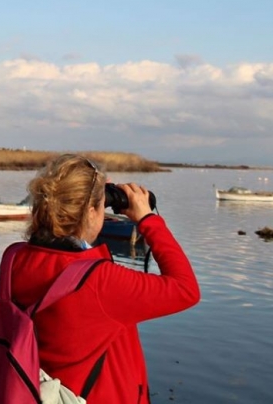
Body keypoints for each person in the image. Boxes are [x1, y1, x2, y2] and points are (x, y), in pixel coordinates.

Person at [11, 154, 200, 404]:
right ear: (90, 211)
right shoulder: (101, 281)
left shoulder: (16, 259)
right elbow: (186, 289)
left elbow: (67, 253)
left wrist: (92, 195)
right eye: (100, 204)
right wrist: (147, 220)